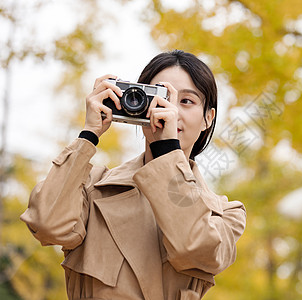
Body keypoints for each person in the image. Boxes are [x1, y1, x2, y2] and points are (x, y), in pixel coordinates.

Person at [20, 50, 246, 300]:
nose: (171, 111)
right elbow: (46, 226)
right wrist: (88, 135)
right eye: (161, 97)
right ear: (136, 103)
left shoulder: (225, 214)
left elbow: (192, 247)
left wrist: (166, 151)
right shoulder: (92, 187)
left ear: (208, 118)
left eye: (186, 101)